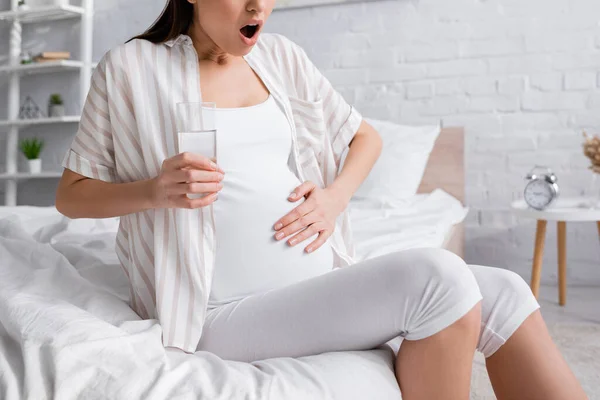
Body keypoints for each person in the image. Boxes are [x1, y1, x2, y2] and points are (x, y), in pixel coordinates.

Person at [55, 0, 587, 399]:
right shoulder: (131, 69)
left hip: (310, 284)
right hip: (214, 312)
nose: (257, 6)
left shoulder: (281, 58)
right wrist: (152, 191)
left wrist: (334, 199)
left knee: (505, 289)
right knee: (440, 280)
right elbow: (71, 197)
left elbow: (365, 138)